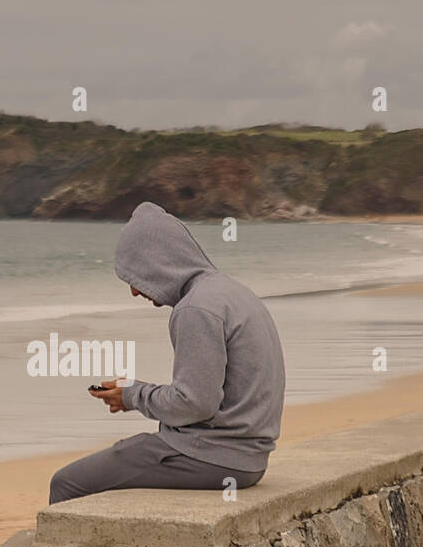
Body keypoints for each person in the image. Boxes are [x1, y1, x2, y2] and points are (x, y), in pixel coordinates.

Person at [48, 201, 286, 503]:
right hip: (249, 459)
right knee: (126, 454)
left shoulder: (196, 309)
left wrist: (131, 395)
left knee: (67, 483)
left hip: (215, 458)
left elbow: (194, 405)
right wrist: (133, 391)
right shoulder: (234, 293)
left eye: (137, 275)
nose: (135, 291)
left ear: (159, 263)